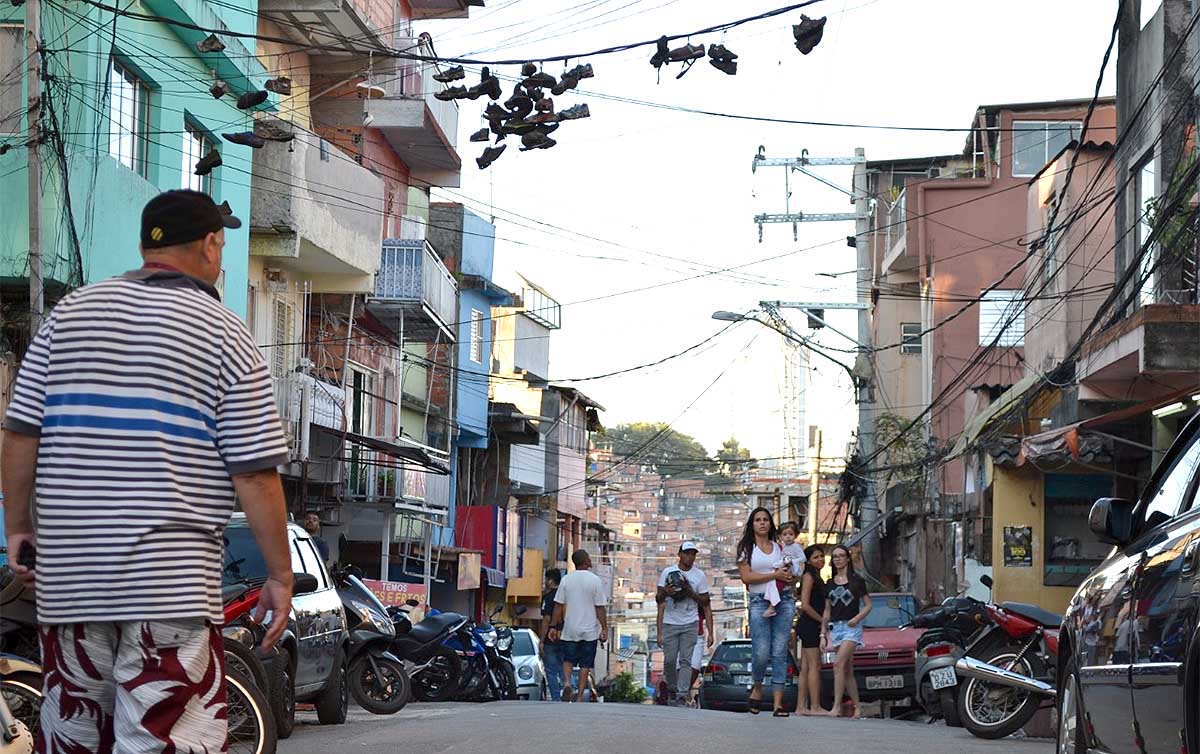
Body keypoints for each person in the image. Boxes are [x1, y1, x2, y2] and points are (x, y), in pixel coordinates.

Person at [1, 190, 293, 752]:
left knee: (74, 736)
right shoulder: (226, 334)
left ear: (145, 245)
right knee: (163, 738)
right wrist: (279, 575)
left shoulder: (71, 314)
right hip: (171, 581)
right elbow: (254, 473)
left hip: (72, 578)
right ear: (210, 245)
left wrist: (19, 527)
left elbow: (19, 433)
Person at [736, 507, 797, 717]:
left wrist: (788, 577)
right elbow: (747, 577)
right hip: (759, 601)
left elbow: (789, 572)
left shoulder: (780, 547)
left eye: (765, 520)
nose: (762, 523)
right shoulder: (747, 548)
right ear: (752, 524)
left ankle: (778, 703)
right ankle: (758, 688)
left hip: (784, 600)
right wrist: (774, 575)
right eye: (757, 520)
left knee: (780, 651)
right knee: (761, 651)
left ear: (770, 524)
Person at [655, 541, 713, 705]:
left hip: (690, 622)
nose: (690, 557)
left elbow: (705, 600)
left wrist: (690, 592)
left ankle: (681, 694)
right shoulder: (668, 572)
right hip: (670, 622)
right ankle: (672, 688)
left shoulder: (699, 575)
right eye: (687, 553)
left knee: (686, 661)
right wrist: (666, 592)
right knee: (669, 660)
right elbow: (658, 599)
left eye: (693, 554)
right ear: (680, 555)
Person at [549, 550, 608, 702]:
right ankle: (580, 696)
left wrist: (553, 627)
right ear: (585, 561)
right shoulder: (595, 580)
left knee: (568, 659)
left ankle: (567, 682)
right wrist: (604, 628)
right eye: (589, 558)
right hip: (589, 631)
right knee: (585, 664)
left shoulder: (566, 580)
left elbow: (558, 605)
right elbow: (600, 607)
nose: (590, 560)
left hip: (570, 629)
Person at [823, 544, 873, 718]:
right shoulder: (829, 584)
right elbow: (827, 611)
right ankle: (858, 708)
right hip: (835, 628)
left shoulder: (857, 581)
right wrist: (823, 634)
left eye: (841, 555)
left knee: (838, 664)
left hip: (852, 628)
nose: (838, 559)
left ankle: (836, 707)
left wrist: (856, 619)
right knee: (846, 670)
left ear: (847, 558)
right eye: (835, 556)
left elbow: (868, 605)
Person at [795, 544, 827, 715]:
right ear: (808, 560)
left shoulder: (817, 576)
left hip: (810, 624)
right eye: (815, 557)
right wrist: (822, 621)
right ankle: (814, 706)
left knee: (807, 667)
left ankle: (801, 706)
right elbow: (805, 605)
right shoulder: (809, 577)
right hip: (810, 624)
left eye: (821, 556)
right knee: (815, 666)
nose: (820, 560)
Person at [762, 522, 805, 618]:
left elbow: (802, 558)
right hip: (784, 567)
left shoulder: (796, 547)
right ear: (780, 536)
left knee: (778, 585)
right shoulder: (782, 547)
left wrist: (791, 561)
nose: (788, 537)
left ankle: (772, 607)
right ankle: (770, 603)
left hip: (791, 569)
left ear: (795, 535)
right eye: (785, 535)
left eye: (791, 534)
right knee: (772, 584)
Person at [540, 568, 565, 701]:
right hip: (564, 636)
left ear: (550, 580)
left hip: (551, 639)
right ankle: (569, 687)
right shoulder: (565, 597)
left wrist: (542, 641)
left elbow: (546, 619)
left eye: (546, 579)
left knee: (550, 671)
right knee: (564, 667)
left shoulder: (548, 597)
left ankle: (556, 698)